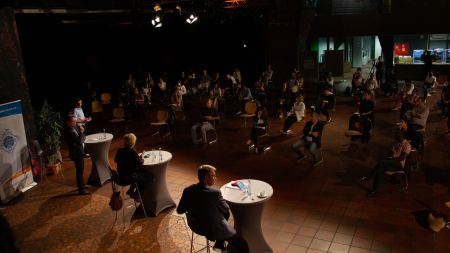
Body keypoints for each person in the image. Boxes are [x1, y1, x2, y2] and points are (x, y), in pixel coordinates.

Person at [177, 165, 249, 253]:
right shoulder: (215, 193)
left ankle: (220, 241)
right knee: (242, 244)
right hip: (211, 228)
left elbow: (179, 210)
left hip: (195, 226)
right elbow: (226, 209)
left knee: (217, 212)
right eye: (213, 175)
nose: (216, 178)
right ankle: (220, 240)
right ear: (207, 177)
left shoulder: (187, 190)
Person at [361, 130, 412, 197]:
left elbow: (402, 158)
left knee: (382, 163)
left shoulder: (407, 145)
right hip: (390, 162)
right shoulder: (395, 143)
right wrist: (391, 152)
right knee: (380, 169)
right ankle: (375, 190)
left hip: (398, 164)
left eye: (397, 134)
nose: (395, 136)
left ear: (402, 135)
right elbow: (390, 153)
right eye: (395, 134)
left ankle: (369, 177)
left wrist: (392, 158)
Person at [114, 133, 153, 197]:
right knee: (150, 176)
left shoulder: (120, 150)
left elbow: (115, 160)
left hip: (120, 177)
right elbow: (140, 164)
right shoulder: (132, 152)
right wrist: (142, 157)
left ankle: (131, 189)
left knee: (137, 173)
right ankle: (138, 194)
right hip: (129, 178)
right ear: (133, 142)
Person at [65, 116, 90, 195]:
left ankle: (82, 185)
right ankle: (81, 189)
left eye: (75, 122)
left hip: (79, 152)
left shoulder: (74, 128)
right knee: (79, 171)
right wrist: (82, 133)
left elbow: (82, 138)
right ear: (68, 122)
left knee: (81, 170)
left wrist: (82, 131)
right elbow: (80, 141)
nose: (75, 123)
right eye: (73, 122)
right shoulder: (69, 131)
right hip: (76, 154)